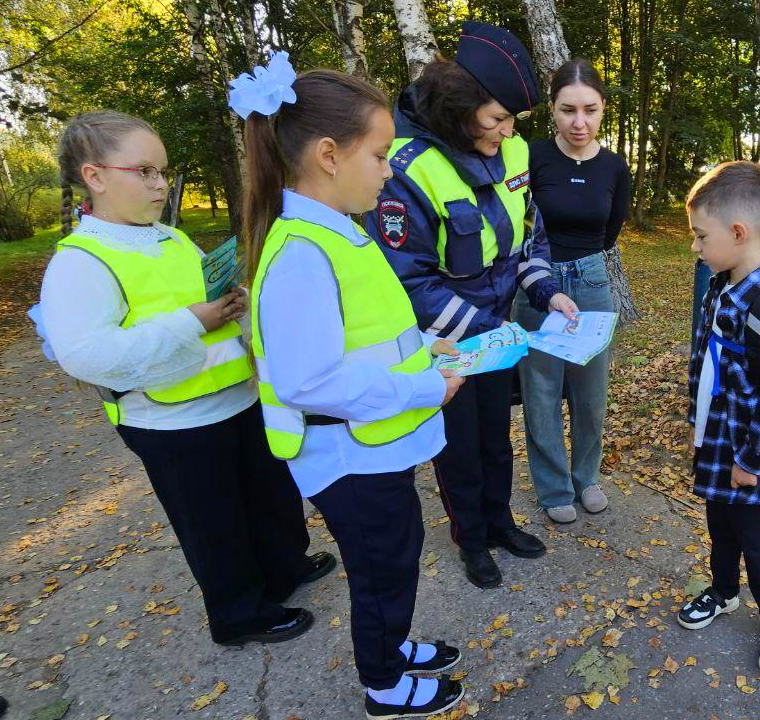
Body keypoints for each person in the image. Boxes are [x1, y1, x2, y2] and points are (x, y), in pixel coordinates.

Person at [37, 110, 333, 647]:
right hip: (172, 420)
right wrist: (190, 321)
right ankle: (239, 613)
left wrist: (233, 305)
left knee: (270, 495)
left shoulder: (168, 238)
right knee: (213, 522)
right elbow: (83, 355)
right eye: (144, 171)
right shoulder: (81, 262)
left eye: (162, 172)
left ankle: (284, 569)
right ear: (95, 176)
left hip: (236, 399)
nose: (159, 185)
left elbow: (206, 300)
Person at [230, 52, 466, 719]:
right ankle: (385, 685)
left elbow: (361, 331)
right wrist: (424, 388)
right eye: (382, 155)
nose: (390, 171)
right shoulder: (303, 251)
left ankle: (391, 647)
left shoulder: (335, 234)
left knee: (398, 553)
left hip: (372, 447)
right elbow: (312, 379)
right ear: (330, 155)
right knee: (382, 567)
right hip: (348, 455)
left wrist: (423, 345)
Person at [365, 22, 578, 590]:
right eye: (496, 119)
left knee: (494, 436)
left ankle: (500, 519)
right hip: (448, 339)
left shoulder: (511, 151)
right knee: (459, 446)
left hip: (497, 330)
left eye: (511, 120)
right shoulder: (405, 170)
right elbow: (409, 282)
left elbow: (528, 238)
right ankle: (472, 539)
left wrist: (544, 290)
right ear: (459, 110)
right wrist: (486, 332)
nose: (507, 131)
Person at [679, 161, 760, 677]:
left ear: (738, 233)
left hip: (753, 454)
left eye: (700, 236)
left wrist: (752, 460)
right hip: (717, 444)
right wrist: (696, 421)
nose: (695, 247)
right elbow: (703, 361)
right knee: (720, 527)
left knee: (757, 541)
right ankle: (723, 591)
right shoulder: (719, 287)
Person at [512, 59, 630, 524]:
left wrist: (581, 267)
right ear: (553, 111)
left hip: (593, 282)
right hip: (536, 286)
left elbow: (610, 231)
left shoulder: (615, 167)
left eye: (590, 110)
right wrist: (545, 277)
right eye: (567, 110)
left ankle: (587, 477)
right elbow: (518, 223)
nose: (578, 122)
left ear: (603, 111)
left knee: (591, 393)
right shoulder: (531, 156)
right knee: (540, 392)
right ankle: (554, 487)